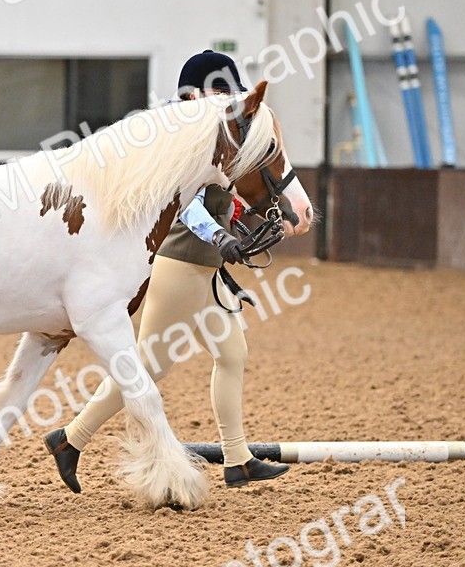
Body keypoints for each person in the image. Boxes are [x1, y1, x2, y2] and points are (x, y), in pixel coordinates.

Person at [43, 50, 290, 491]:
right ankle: (71, 439)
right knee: (154, 365)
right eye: (221, 91)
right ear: (194, 93)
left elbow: (221, 196)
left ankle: (236, 459)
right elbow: (189, 206)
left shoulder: (216, 138)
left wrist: (246, 218)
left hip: (203, 270)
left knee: (215, 357)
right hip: (181, 265)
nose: (227, 99)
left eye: (231, 92)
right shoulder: (180, 140)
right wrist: (221, 238)